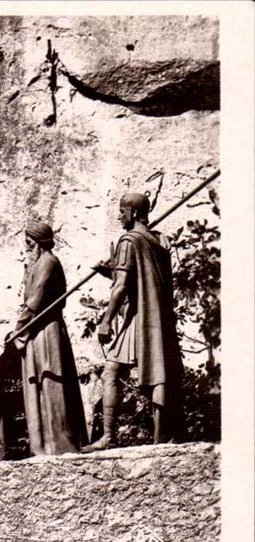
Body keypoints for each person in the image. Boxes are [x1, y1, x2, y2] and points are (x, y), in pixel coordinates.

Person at [83, 192, 183, 451]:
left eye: (122, 210)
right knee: (149, 372)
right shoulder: (158, 241)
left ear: (135, 213)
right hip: (155, 320)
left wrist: (106, 322)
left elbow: (122, 287)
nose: (119, 216)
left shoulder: (129, 240)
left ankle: (109, 436)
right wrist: (112, 271)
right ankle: (158, 434)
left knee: (112, 372)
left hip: (139, 319)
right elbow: (143, 280)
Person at [6, 222, 87, 456]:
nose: (25, 247)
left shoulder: (48, 262)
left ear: (36, 243)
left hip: (46, 330)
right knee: (39, 383)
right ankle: (42, 445)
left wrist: (19, 328)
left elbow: (36, 300)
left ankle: (59, 444)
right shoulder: (37, 263)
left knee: (51, 382)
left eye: (28, 242)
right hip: (36, 330)